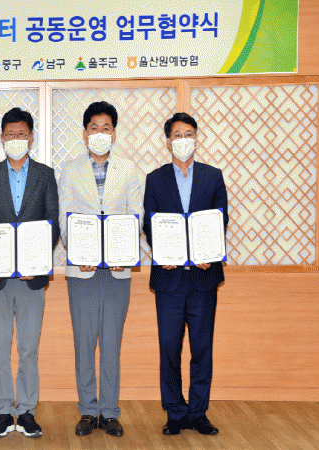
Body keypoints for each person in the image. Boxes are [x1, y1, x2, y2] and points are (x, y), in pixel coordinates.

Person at [58, 101, 143, 437]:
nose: (100, 133)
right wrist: (78, 251)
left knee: (111, 343)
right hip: (83, 270)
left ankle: (109, 411)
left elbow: (135, 216)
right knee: (84, 342)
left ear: (114, 133)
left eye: (106, 127)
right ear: (85, 133)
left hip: (117, 271)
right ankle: (87, 410)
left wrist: (126, 251)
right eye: (94, 127)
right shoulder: (70, 170)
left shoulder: (129, 170)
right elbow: (65, 218)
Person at [0, 107, 60, 438]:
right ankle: (2, 410)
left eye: (21, 134)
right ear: (2, 138)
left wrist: (36, 262)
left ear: (31, 138)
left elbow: (52, 224)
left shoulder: (45, 175)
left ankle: (25, 411)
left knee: (28, 349)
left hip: (30, 279)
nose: (16, 139)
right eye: (10, 134)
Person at [143, 112, 228, 436]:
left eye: (188, 134)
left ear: (196, 138)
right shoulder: (155, 178)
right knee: (169, 348)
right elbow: (150, 222)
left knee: (202, 348)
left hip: (203, 279)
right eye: (177, 135)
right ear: (168, 142)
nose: (183, 140)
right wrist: (164, 252)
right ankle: (175, 412)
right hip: (170, 280)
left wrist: (209, 252)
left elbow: (221, 219)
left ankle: (198, 412)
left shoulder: (212, 176)